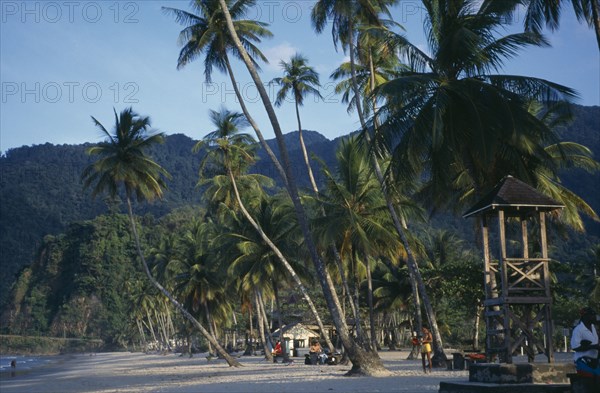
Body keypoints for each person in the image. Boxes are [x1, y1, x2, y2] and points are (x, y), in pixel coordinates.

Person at [571, 306, 600, 376]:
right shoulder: (578, 330)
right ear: (585, 317)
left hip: (594, 361)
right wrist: (593, 347)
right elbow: (575, 347)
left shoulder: (593, 327)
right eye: (592, 315)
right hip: (583, 361)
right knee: (591, 380)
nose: (594, 317)